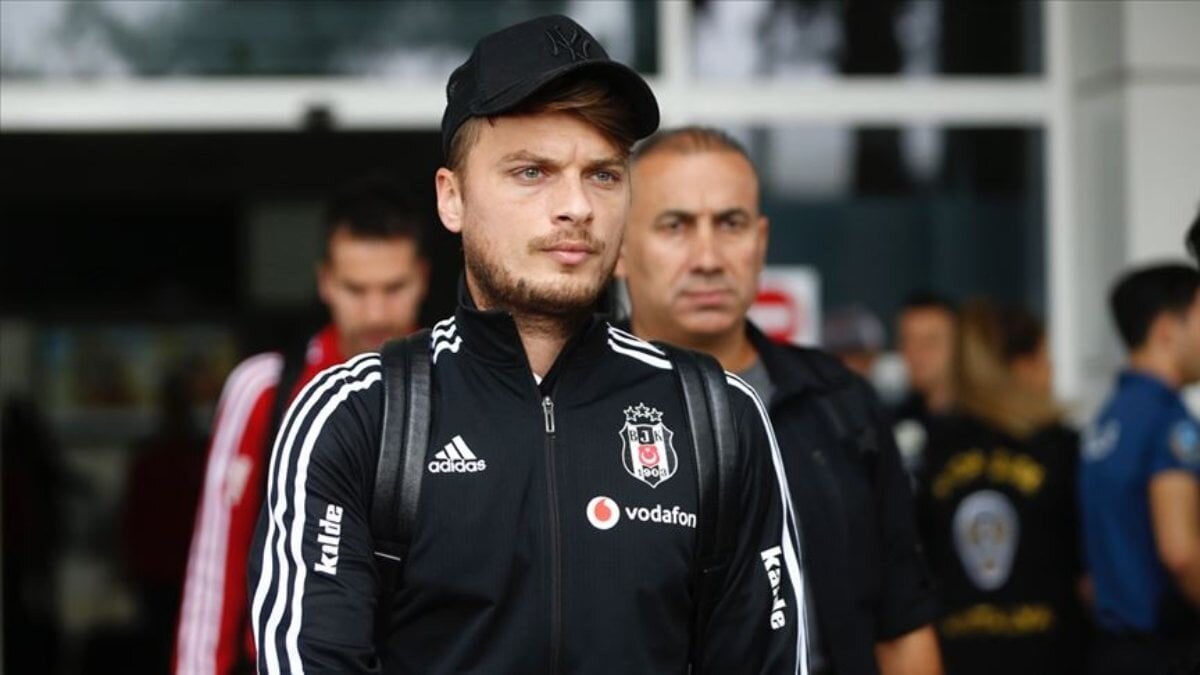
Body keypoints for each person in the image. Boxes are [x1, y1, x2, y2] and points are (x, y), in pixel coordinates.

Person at [247, 17, 805, 674]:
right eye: (532, 171)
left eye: (603, 175)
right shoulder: (359, 416)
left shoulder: (717, 417)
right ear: (452, 198)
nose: (576, 206)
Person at [617, 125, 940, 675]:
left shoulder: (840, 404)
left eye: (731, 224)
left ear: (761, 243)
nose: (708, 258)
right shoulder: (573, 410)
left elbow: (903, 624)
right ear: (619, 248)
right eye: (675, 226)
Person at [173, 176, 429, 675]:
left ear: (421, 278)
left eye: (394, 288)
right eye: (356, 289)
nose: (376, 312)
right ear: (325, 282)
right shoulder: (263, 388)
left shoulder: (457, 385)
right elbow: (215, 570)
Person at [914, 300, 1086, 675]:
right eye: (1045, 358)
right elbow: (1086, 569)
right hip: (1050, 655)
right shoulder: (1058, 448)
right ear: (1021, 365)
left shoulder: (937, 449)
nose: (1052, 371)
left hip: (959, 655)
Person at [1080, 264, 1200, 675]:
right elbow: (1181, 552)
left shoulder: (1107, 420)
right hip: (1164, 651)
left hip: (1112, 648)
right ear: (1166, 330)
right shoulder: (1169, 422)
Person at [892, 292, 958, 478]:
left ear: (959, 347)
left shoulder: (983, 427)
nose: (916, 352)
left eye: (930, 341)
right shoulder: (891, 424)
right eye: (907, 340)